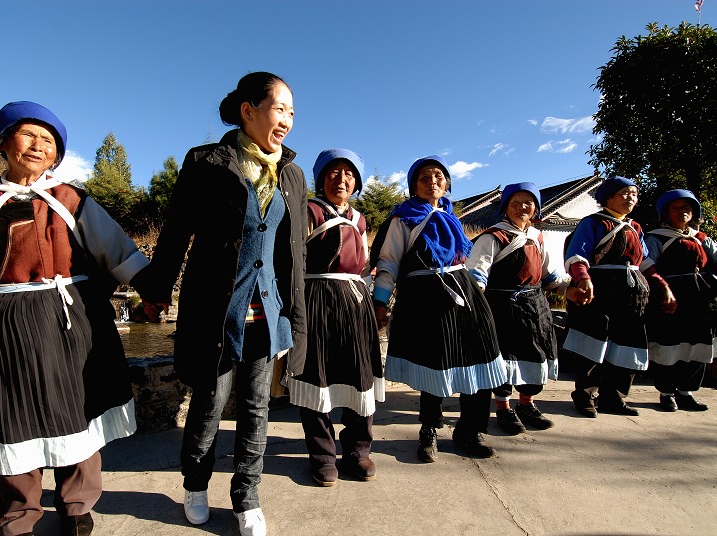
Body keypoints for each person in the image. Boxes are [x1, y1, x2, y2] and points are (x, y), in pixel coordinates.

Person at [0, 101, 149, 536]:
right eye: (28, 135)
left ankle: (77, 506)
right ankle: (19, 514)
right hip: (0, 333)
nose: (38, 145)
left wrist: (151, 295)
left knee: (78, 415)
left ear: (57, 154)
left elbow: (119, 252)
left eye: (49, 140)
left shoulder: (72, 201)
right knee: (9, 421)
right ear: (3, 143)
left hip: (71, 325)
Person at [138, 72, 306, 536]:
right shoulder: (205, 161)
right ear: (248, 110)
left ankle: (247, 495)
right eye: (280, 108)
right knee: (210, 403)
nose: (288, 120)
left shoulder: (292, 173)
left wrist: (296, 321)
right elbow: (175, 233)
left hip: (265, 313)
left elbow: (293, 255)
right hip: (214, 309)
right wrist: (155, 292)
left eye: (293, 112)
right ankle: (195, 484)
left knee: (257, 407)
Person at [371, 155, 507, 460]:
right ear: (413, 186)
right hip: (425, 299)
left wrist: (478, 289)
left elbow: (466, 260)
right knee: (434, 364)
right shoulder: (402, 219)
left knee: (480, 362)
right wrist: (380, 302)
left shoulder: (452, 217)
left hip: (465, 295)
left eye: (438, 176)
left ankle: (469, 431)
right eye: (424, 178)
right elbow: (389, 261)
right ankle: (429, 430)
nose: (433, 181)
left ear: (446, 183)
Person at [286, 149, 385, 486]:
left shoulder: (360, 219)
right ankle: (323, 457)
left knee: (361, 378)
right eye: (333, 172)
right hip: (317, 303)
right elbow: (293, 259)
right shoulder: (308, 211)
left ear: (355, 182)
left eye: (348, 174)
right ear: (320, 179)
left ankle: (358, 450)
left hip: (356, 306)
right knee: (316, 380)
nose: (341, 179)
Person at [563, 176, 676, 418]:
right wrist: (583, 278)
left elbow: (646, 263)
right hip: (601, 290)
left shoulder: (635, 228)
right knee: (594, 343)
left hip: (633, 294)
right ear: (608, 198)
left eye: (634, 194)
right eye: (624, 193)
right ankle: (585, 394)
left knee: (628, 343)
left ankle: (614, 397)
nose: (630, 198)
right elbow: (576, 255)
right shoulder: (592, 223)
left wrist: (663, 287)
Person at [466, 182, 565, 435]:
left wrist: (569, 290)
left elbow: (548, 274)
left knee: (534, 354)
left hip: (534, 307)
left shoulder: (537, 237)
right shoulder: (492, 237)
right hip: (502, 308)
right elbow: (477, 272)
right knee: (505, 358)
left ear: (535, 208)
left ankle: (526, 404)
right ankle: (503, 408)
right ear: (505, 208)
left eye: (528, 202)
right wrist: (476, 296)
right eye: (515, 202)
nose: (522, 206)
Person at [645, 189, 717, 412]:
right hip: (670, 297)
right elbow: (648, 265)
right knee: (668, 345)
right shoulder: (656, 237)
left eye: (687, 208)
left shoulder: (703, 239)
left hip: (700, 299)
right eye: (676, 208)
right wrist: (663, 290)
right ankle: (666, 393)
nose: (682, 212)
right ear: (666, 212)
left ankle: (686, 392)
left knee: (697, 345)